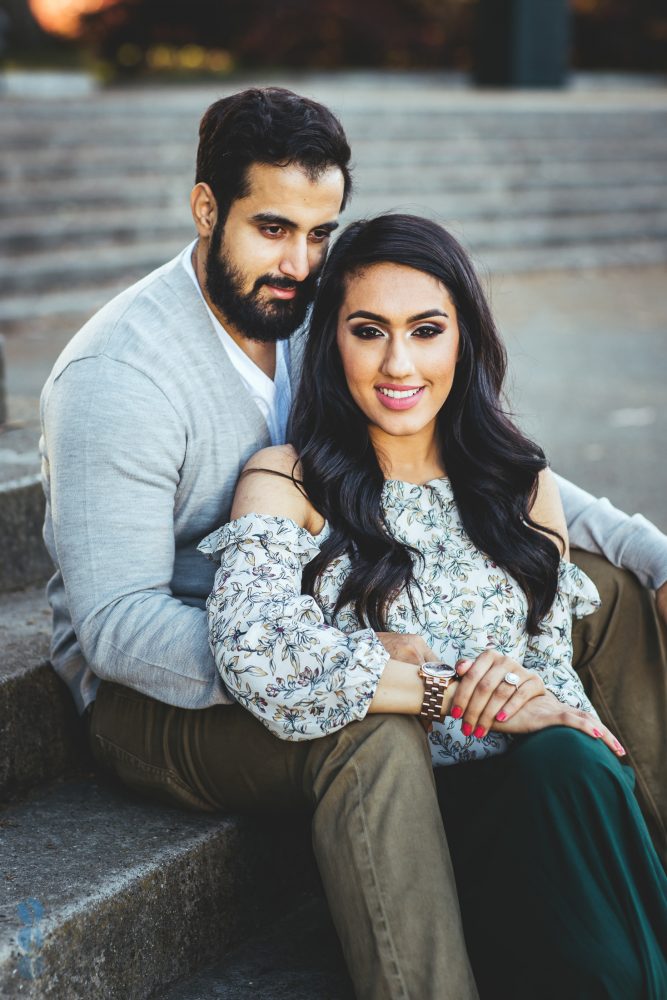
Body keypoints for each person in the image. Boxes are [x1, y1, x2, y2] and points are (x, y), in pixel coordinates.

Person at [39, 87, 666, 997]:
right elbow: (119, 630)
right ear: (206, 208)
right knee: (367, 732)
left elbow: (479, 469)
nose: (300, 262)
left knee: (601, 589)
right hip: (159, 689)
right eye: (272, 228)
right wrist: (384, 672)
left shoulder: (303, 315)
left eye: (321, 231)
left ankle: (634, 863)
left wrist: (655, 554)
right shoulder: (120, 379)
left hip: (325, 613)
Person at [200, 213, 667, 998]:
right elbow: (255, 650)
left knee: (573, 759)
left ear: (463, 340)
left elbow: (548, 673)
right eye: (367, 330)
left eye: (425, 330)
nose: (397, 362)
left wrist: (529, 698)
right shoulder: (287, 479)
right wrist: (453, 690)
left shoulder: (517, 481)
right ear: (331, 344)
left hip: (548, 797)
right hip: (415, 829)